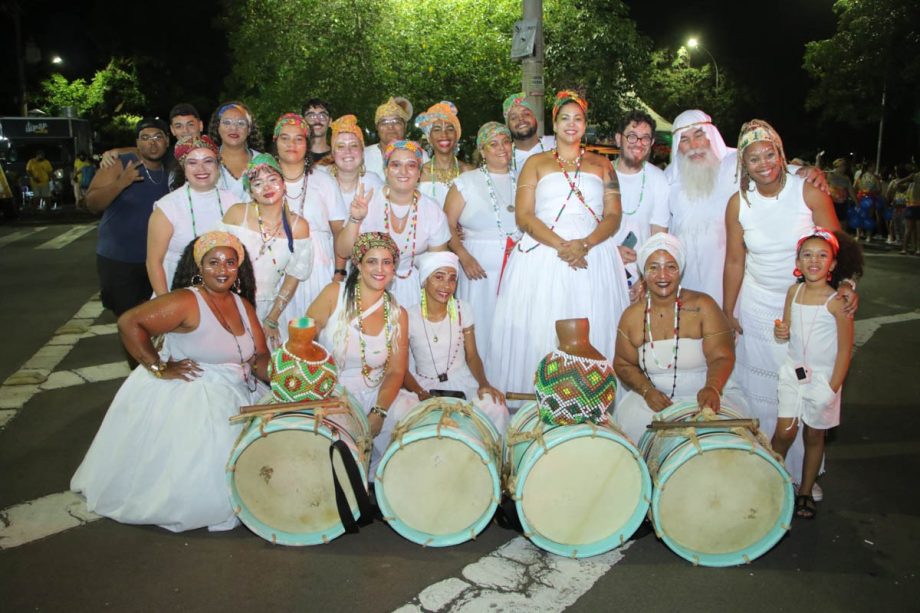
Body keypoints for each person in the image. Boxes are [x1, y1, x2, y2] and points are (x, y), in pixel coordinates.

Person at [71, 231, 270, 533]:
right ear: (199, 267)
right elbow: (129, 323)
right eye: (213, 262)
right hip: (194, 392)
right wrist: (158, 366)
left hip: (237, 389)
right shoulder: (185, 301)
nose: (222, 269)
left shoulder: (243, 305)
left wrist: (290, 375)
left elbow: (259, 356)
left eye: (230, 263)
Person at [723, 119, 856, 492]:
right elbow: (735, 260)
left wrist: (845, 285)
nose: (763, 164)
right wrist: (728, 310)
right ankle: (767, 472)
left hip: (808, 306)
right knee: (763, 395)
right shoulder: (738, 204)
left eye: (769, 154)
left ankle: (803, 476)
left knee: (807, 390)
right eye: (753, 158)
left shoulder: (808, 193)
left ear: (781, 156)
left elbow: (838, 245)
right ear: (743, 165)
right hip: (757, 304)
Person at [488, 90, 630, 399]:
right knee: (542, 325)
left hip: (593, 255)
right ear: (554, 122)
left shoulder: (603, 165)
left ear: (585, 124)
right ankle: (538, 402)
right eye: (565, 118)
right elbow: (524, 217)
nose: (571, 124)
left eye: (578, 119)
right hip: (544, 254)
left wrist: (585, 244)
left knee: (594, 323)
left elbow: (614, 216)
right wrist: (563, 245)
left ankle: (594, 400)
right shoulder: (535, 163)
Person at [666, 110, 828, 306]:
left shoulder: (736, 162)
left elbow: (769, 168)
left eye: (698, 135)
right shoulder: (668, 180)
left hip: (734, 274)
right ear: (677, 146)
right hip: (688, 277)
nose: (693, 146)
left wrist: (806, 172)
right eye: (684, 140)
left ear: (710, 136)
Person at [612, 233, 743, 444]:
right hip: (652, 401)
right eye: (653, 267)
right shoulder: (632, 316)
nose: (662, 275)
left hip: (705, 394)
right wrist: (647, 391)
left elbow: (722, 356)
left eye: (670, 267)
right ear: (643, 273)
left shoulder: (703, 306)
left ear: (680, 270)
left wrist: (712, 387)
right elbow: (623, 363)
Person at [308, 232, 418, 476]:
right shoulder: (334, 294)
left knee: (411, 417)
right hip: (335, 393)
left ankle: (387, 491)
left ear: (394, 268)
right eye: (372, 261)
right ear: (358, 264)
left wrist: (379, 412)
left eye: (387, 262)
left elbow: (396, 371)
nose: (380, 269)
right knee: (341, 449)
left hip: (378, 393)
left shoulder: (398, 313)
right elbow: (304, 338)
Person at [772, 229, 862, 518]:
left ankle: (806, 491)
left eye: (823, 255)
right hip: (793, 372)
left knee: (814, 435)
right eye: (807, 254)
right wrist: (781, 331)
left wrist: (832, 388)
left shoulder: (837, 302)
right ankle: (771, 478)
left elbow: (845, 350)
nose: (814, 260)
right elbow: (786, 329)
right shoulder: (793, 291)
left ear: (833, 265)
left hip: (823, 379)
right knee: (784, 431)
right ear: (798, 260)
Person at [334, 140, 450, 309]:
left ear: (419, 173)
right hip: (368, 283)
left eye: (411, 165)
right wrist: (356, 219)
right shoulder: (367, 201)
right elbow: (343, 251)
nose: (403, 171)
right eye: (396, 165)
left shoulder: (432, 210)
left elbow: (437, 264)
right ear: (386, 171)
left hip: (413, 286)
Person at [402, 252, 509, 433]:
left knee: (496, 407)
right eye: (439, 277)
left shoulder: (463, 309)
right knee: (398, 412)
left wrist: (484, 383)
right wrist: (421, 393)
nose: (446, 285)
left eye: (452, 279)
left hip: (463, 383)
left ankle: (489, 458)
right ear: (424, 281)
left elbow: (472, 356)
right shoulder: (408, 316)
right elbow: (401, 369)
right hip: (423, 387)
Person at [443, 121, 520, 361]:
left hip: (518, 266)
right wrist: (463, 257)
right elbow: (446, 225)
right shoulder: (465, 182)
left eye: (506, 141)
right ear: (482, 151)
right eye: (493, 144)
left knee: (514, 327)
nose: (501, 148)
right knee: (481, 323)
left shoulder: (526, 179)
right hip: (478, 268)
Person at [220, 154, 313, 347]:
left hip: (267, 308)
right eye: (258, 183)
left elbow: (294, 275)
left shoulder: (298, 226)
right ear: (251, 191)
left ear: (284, 184)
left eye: (272, 180)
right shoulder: (237, 214)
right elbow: (214, 258)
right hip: (227, 302)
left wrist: (272, 317)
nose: (267, 187)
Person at [86, 118, 171, 323]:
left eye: (158, 137)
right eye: (145, 138)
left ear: (167, 141)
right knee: (129, 323)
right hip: (120, 261)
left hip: (158, 262)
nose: (152, 143)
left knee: (159, 321)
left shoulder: (172, 168)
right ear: (137, 142)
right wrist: (121, 183)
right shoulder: (118, 164)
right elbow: (91, 203)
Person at [272, 113, 348, 313]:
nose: (292, 144)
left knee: (318, 332)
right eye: (285, 138)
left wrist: (339, 273)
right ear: (275, 142)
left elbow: (339, 231)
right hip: (278, 269)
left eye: (299, 139)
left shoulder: (324, 181)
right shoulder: (264, 180)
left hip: (320, 269)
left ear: (307, 144)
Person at [147, 135, 235, 296]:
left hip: (222, 293)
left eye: (208, 161)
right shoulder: (168, 206)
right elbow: (154, 262)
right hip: (175, 291)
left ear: (218, 165)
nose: (201, 169)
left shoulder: (233, 202)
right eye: (192, 162)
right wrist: (166, 302)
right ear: (183, 168)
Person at [611, 110, 670, 293]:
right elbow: (585, 230)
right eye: (632, 136)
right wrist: (611, 252)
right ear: (619, 139)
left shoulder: (658, 179)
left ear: (651, 143)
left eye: (645, 138)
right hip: (602, 271)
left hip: (640, 278)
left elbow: (659, 238)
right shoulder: (600, 175)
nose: (639, 144)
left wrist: (645, 281)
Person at [99, 103, 204, 185]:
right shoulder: (168, 155)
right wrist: (114, 152)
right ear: (172, 130)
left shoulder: (215, 151)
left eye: (190, 124)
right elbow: (144, 150)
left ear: (200, 125)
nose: (185, 130)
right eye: (178, 126)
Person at [416, 101, 473, 207]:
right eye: (437, 130)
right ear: (429, 138)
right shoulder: (419, 174)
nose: (444, 134)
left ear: (457, 136)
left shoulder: (469, 171)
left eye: (450, 129)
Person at [208, 101, 264, 202]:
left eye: (241, 123)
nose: (233, 128)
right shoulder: (206, 161)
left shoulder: (263, 162)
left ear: (249, 129)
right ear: (217, 127)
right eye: (227, 122)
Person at [364, 97, 426, 179]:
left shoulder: (420, 154)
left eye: (396, 122)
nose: (390, 127)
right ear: (377, 127)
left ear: (405, 126)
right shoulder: (363, 155)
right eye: (384, 122)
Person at [503, 92, 556, 177]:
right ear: (508, 126)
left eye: (526, 114)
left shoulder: (555, 144)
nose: (521, 119)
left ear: (535, 118)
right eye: (513, 117)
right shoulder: (503, 156)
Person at [827, 158, 858, 228]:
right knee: (832, 221)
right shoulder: (829, 175)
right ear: (836, 166)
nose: (843, 168)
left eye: (844, 166)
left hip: (843, 203)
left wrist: (856, 203)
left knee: (843, 222)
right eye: (841, 166)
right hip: (832, 202)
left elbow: (851, 191)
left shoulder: (846, 178)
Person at [302, 98, 333, 164]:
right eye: (311, 116)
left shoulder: (338, 156)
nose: (317, 120)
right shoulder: (296, 156)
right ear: (303, 122)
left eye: (322, 116)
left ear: (330, 121)